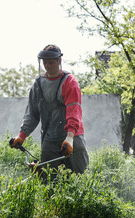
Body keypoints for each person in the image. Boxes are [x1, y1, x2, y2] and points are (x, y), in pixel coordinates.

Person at [10, 44, 89, 180]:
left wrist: (69, 138)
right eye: (45, 63)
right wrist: (22, 136)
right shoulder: (38, 85)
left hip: (72, 137)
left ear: (59, 61)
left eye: (51, 62)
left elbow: (74, 111)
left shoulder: (70, 82)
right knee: (48, 182)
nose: (47, 66)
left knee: (79, 180)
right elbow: (32, 113)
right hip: (49, 139)